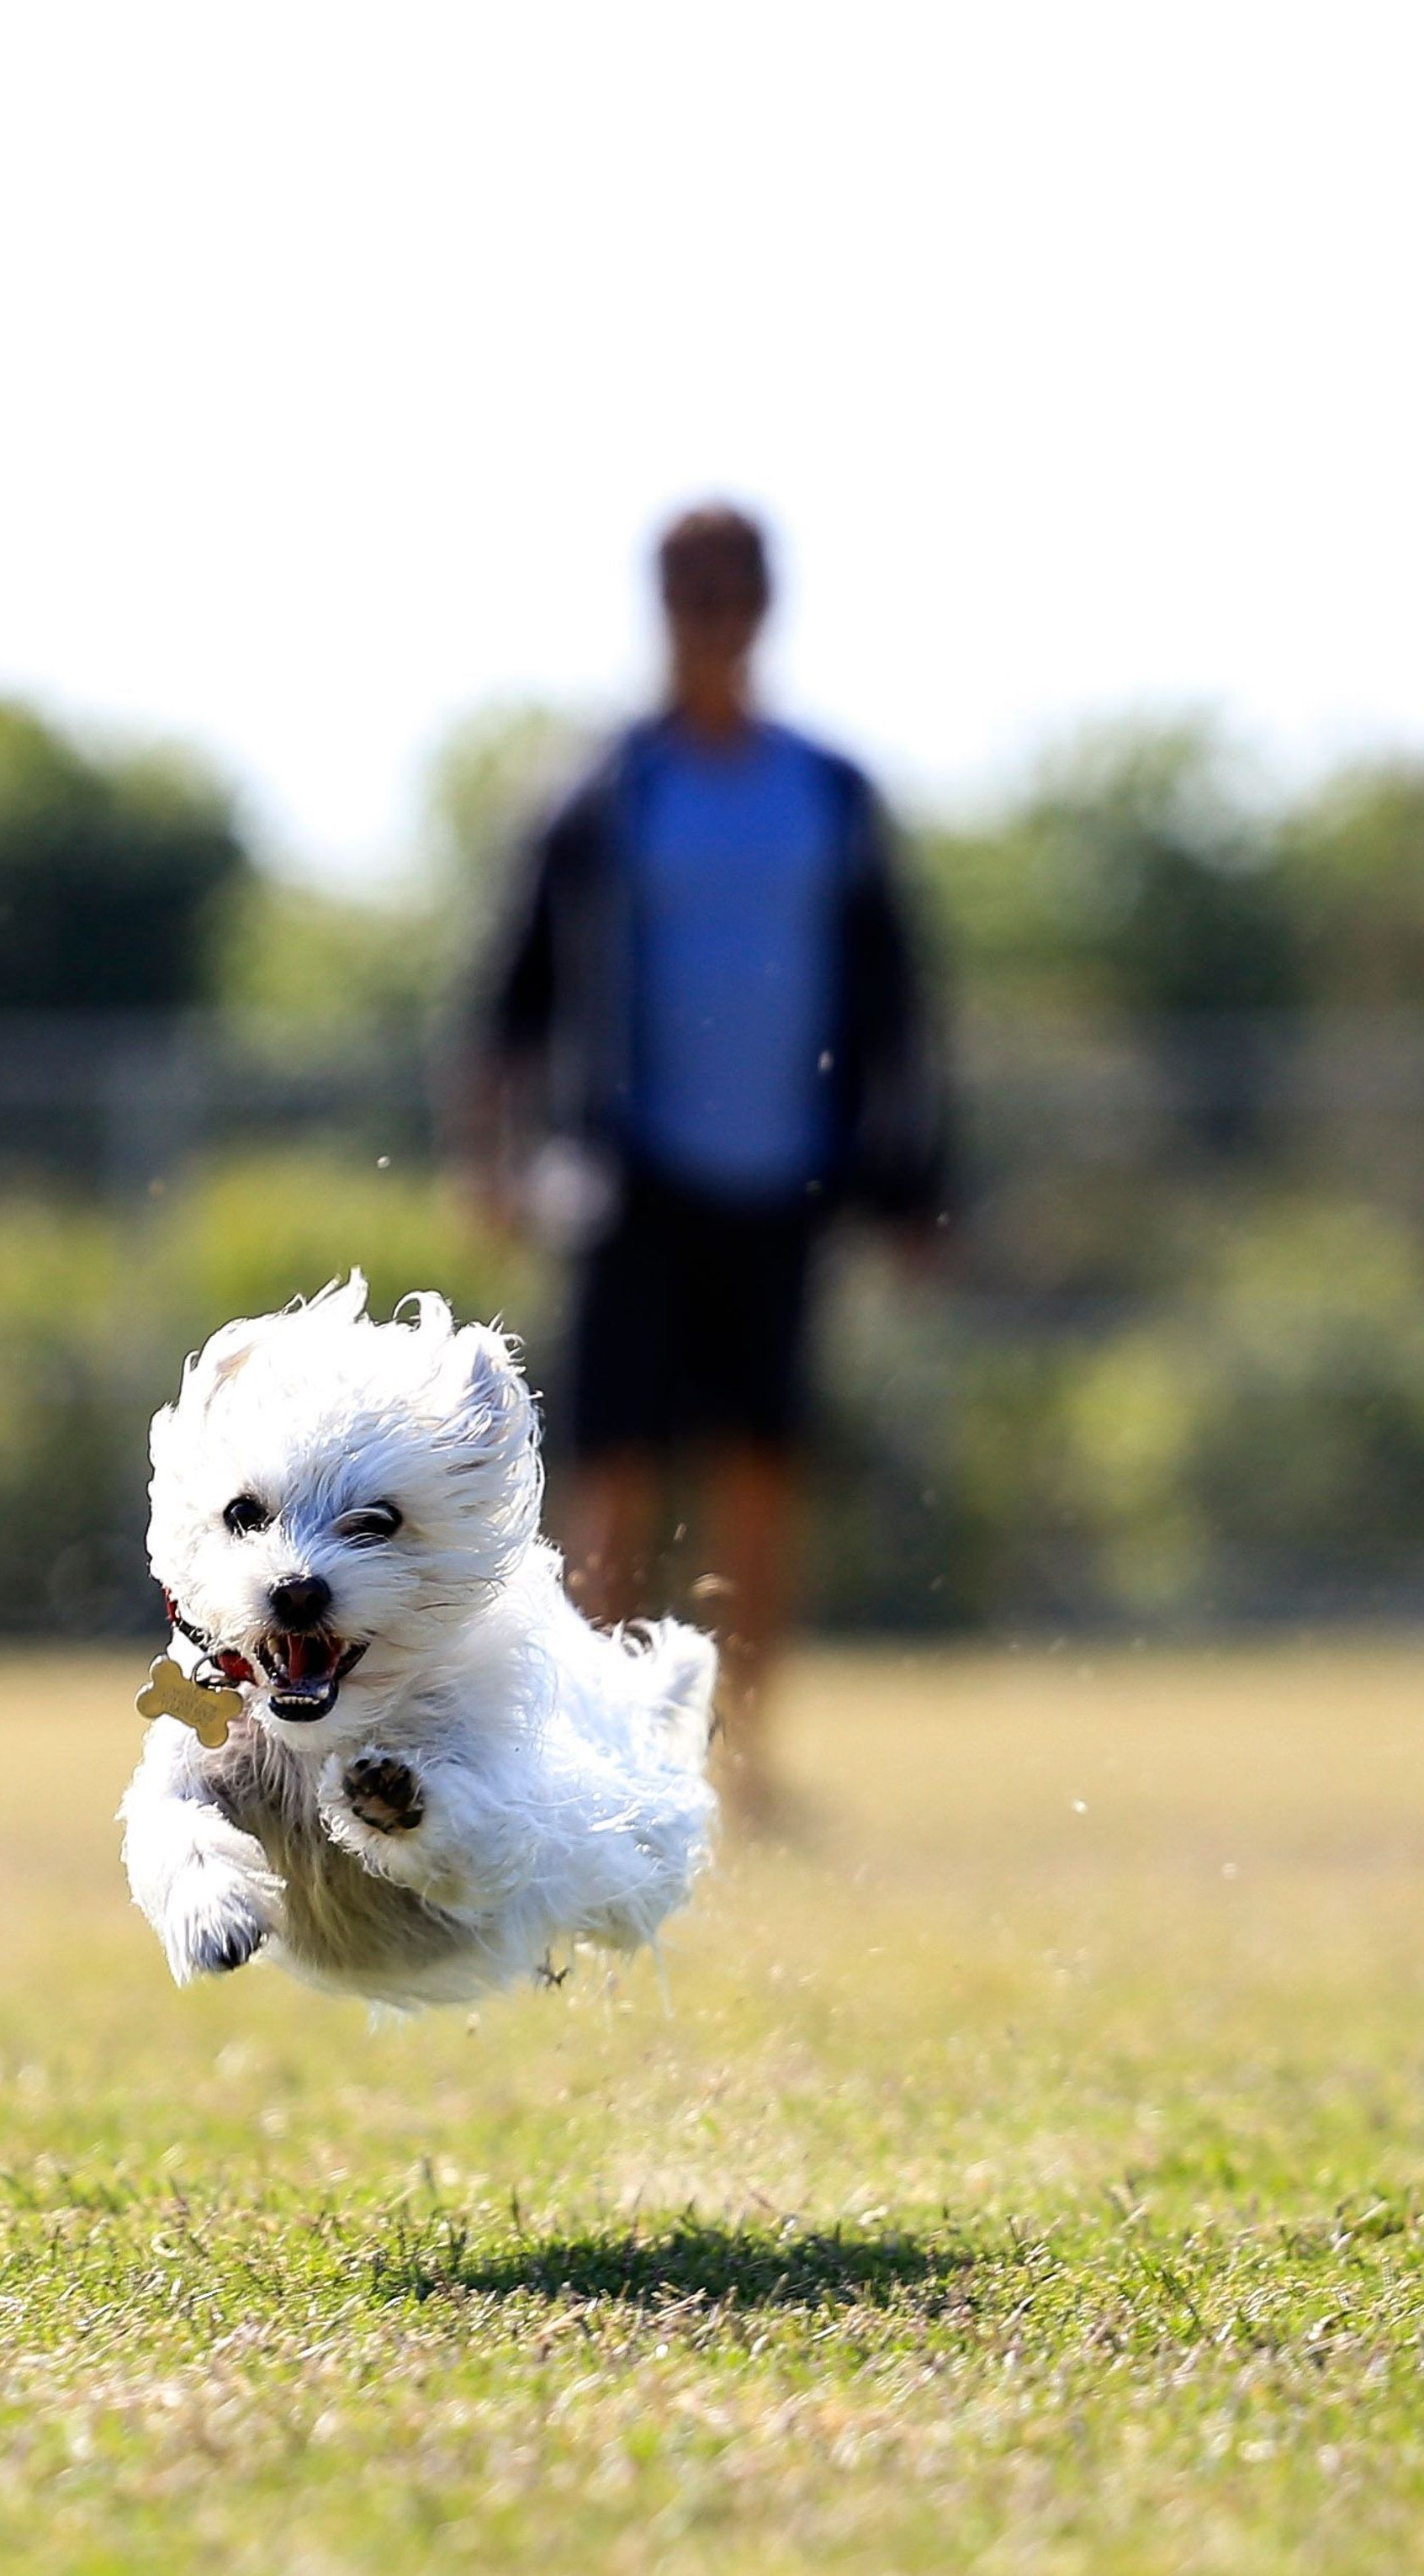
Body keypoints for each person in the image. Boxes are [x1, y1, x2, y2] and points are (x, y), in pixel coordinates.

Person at [464, 503, 947, 1826]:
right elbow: (511, 990)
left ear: (768, 605)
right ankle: (585, 1753)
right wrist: (492, 1154)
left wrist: (912, 1179)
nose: (714, 615)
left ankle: (745, 1763)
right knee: (612, 1469)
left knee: (762, 1471)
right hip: (631, 1182)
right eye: (691, 592)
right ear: (660, 605)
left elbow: (903, 999)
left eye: (734, 591)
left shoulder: (830, 794)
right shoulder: (602, 790)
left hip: (787, 1183)